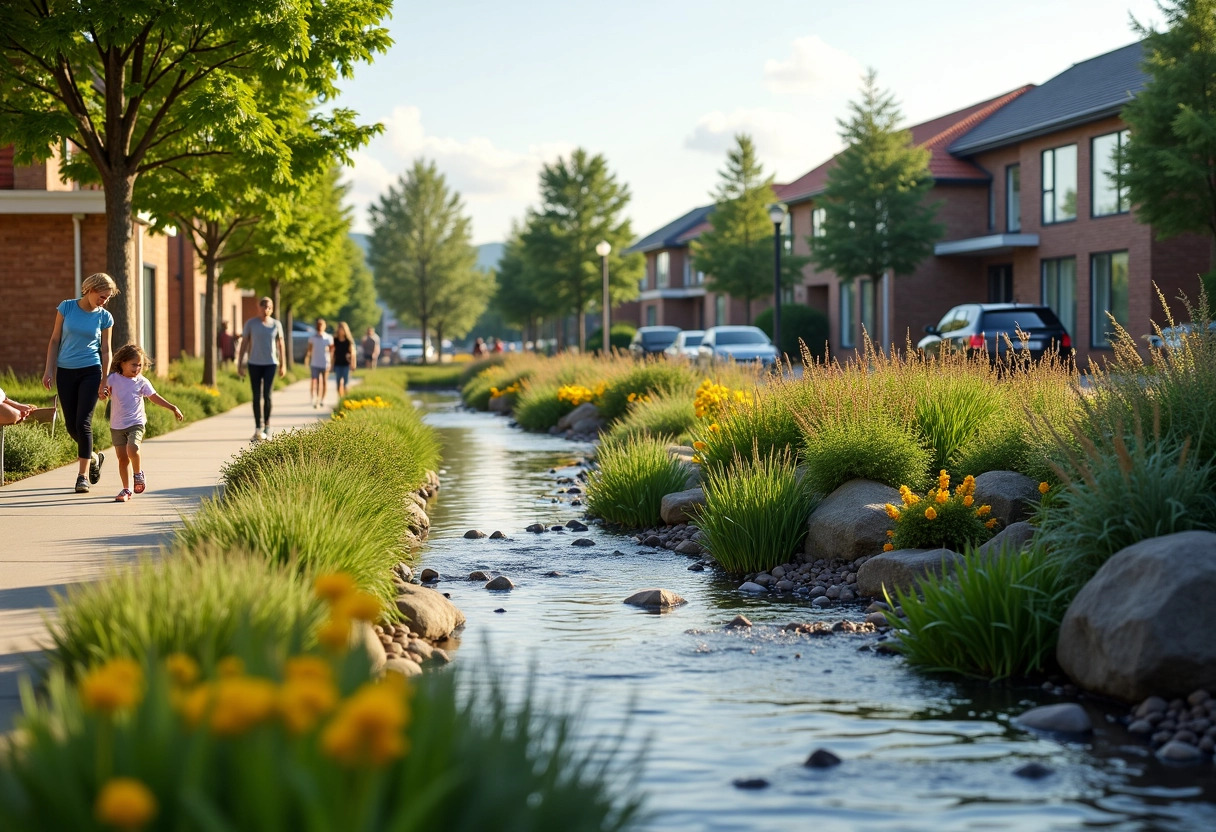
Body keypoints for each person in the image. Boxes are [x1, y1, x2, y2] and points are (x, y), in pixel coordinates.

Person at [42, 272, 116, 493]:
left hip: (91, 371)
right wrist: (49, 370)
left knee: (83, 422)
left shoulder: (104, 317)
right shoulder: (66, 308)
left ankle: (82, 476)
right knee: (71, 425)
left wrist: (104, 379)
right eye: (102, 296)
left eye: (108, 298)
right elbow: (55, 339)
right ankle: (93, 457)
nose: (104, 301)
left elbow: (106, 350)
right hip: (65, 371)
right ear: (90, 289)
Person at [105, 343, 183, 502]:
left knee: (132, 448)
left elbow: (154, 397)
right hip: (117, 425)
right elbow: (103, 392)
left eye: (140, 365)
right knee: (122, 459)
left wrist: (172, 407)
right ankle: (126, 489)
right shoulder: (112, 379)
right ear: (122, 363)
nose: (137, 368)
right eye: (134, 364)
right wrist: (102, 393)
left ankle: (138, 473)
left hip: (136, 422)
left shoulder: (141, 381)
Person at [238, 297, 287, 441]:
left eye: (269, 307)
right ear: (258, 308)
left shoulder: (276, 325)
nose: (266, 310)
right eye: (263, 307)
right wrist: (240, 363)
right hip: (254, 363)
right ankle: (257, 428)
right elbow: (244, 344)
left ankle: (267, 426)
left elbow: (281, 344)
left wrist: (283, 364)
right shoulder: (251, 324)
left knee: (267, 395)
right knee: (256, 396)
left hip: (271, 363)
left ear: (272, 309)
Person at [305, 318, 334, 409]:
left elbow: (332, 351)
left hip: (325, 362)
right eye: (318, 324)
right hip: (315, 363)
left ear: (325, 326)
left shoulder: (329, 338)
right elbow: (309, 350)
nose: (320, 326)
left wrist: (332, 362)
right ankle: (316, 398)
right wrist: (307, 359)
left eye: (322, 324)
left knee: (324, 381)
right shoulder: (312, 338)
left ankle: (323, 398)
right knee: (315, 381)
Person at [332, 321, 357, 399]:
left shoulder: (348, 341)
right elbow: (332, 354)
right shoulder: (335, 340)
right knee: (338, 383)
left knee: (346, 383)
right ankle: (340, 398)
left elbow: (353, 354)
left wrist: (353, 364)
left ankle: (345, 398)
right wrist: (331, 364)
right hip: (337, 364)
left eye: (342, 328)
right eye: (339, 328)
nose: (340, 330)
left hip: (346, 364)